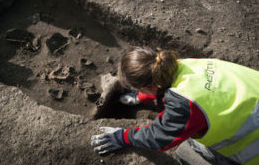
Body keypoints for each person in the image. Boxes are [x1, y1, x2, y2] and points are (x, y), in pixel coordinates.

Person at [91, 46, 259, 165]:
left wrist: (123, 137)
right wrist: (140, 97)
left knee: (186, 148)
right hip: (250, 95)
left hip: (253, 145)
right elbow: (160, 84)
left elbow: (159, 138)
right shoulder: (186, 64)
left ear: (147, 86)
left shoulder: (185, 105)